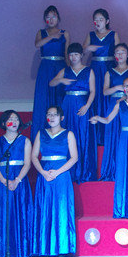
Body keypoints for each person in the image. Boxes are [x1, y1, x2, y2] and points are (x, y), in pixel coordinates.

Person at [90, 77, 128, 219]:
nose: (127, 88)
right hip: (124, 139)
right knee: (124, 170)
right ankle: (123, 207)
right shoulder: (119, 104)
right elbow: (108, 120)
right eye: (125, 86)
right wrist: (97, 118)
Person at [31, 105, 77, 257]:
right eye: (49, 114)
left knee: (60, 209)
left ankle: (61, 249)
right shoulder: (41, 133)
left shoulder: (68, 134)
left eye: (54, 115)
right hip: (44, 175)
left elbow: (74, 158)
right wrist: (42, 172)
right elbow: (33, 156)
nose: (51, 117)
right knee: (45, 208)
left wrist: (57, 172)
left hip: (61, 175)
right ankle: (44, 249)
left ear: (61, 118)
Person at [50, 43, 98, 182]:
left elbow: (93, 91)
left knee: (83, 134)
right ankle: (68, 171)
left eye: (76, 54)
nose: (73, 57)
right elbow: (51, 83)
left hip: (83, 104)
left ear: (81, 55)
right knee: (68, 133)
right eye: (71, 55)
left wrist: (87, 106)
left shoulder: (89, 71)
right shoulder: (65, 70)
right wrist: (60, 80)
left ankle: (84, 170)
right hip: (68, 104)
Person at [0, 110, 33, 257]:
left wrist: (17, 180)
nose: (14, 122)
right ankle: (2, 252)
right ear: (4, 123)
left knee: (20, 213)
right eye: (10, 119)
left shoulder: (25, 141)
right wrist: (4, 181)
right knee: (4, 214)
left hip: (19, 181)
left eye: (16, 119)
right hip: (3, 180)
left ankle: (20, 251)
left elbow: (27, 164)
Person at [100, 43, 128, 182]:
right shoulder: (109, 72)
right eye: (117, 52)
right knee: (113, 136)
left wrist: (127, 97)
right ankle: (112, 169)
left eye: (122, 52)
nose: (120, 55)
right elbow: (105, 91)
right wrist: (118, 88)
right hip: (114, 104)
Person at [32, 5, 69, 140]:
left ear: (58, 18)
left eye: (53, 16)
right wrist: (52, 36)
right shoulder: (41, 33)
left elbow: (66, 53)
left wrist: (69, 71)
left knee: (59, 98)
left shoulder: (64, 33)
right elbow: (37, 44)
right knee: (43, 98)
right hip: (45, 68)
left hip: (60, 66)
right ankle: (41, 135)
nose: (51, 19)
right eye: (48, 17)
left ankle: (60, 134)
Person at [83, 8, 119, 145]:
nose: (98, 22)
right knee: (96, 95)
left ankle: (108, 131)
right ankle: (96, 133)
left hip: (109, 67)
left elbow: (119, 52)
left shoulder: (113, 34)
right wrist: (88, 48)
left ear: (107, 21)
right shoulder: (90, 35)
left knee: (108, 96)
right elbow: (82, 52)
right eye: (95, 20)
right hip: (95, 68)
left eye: (101, 19)